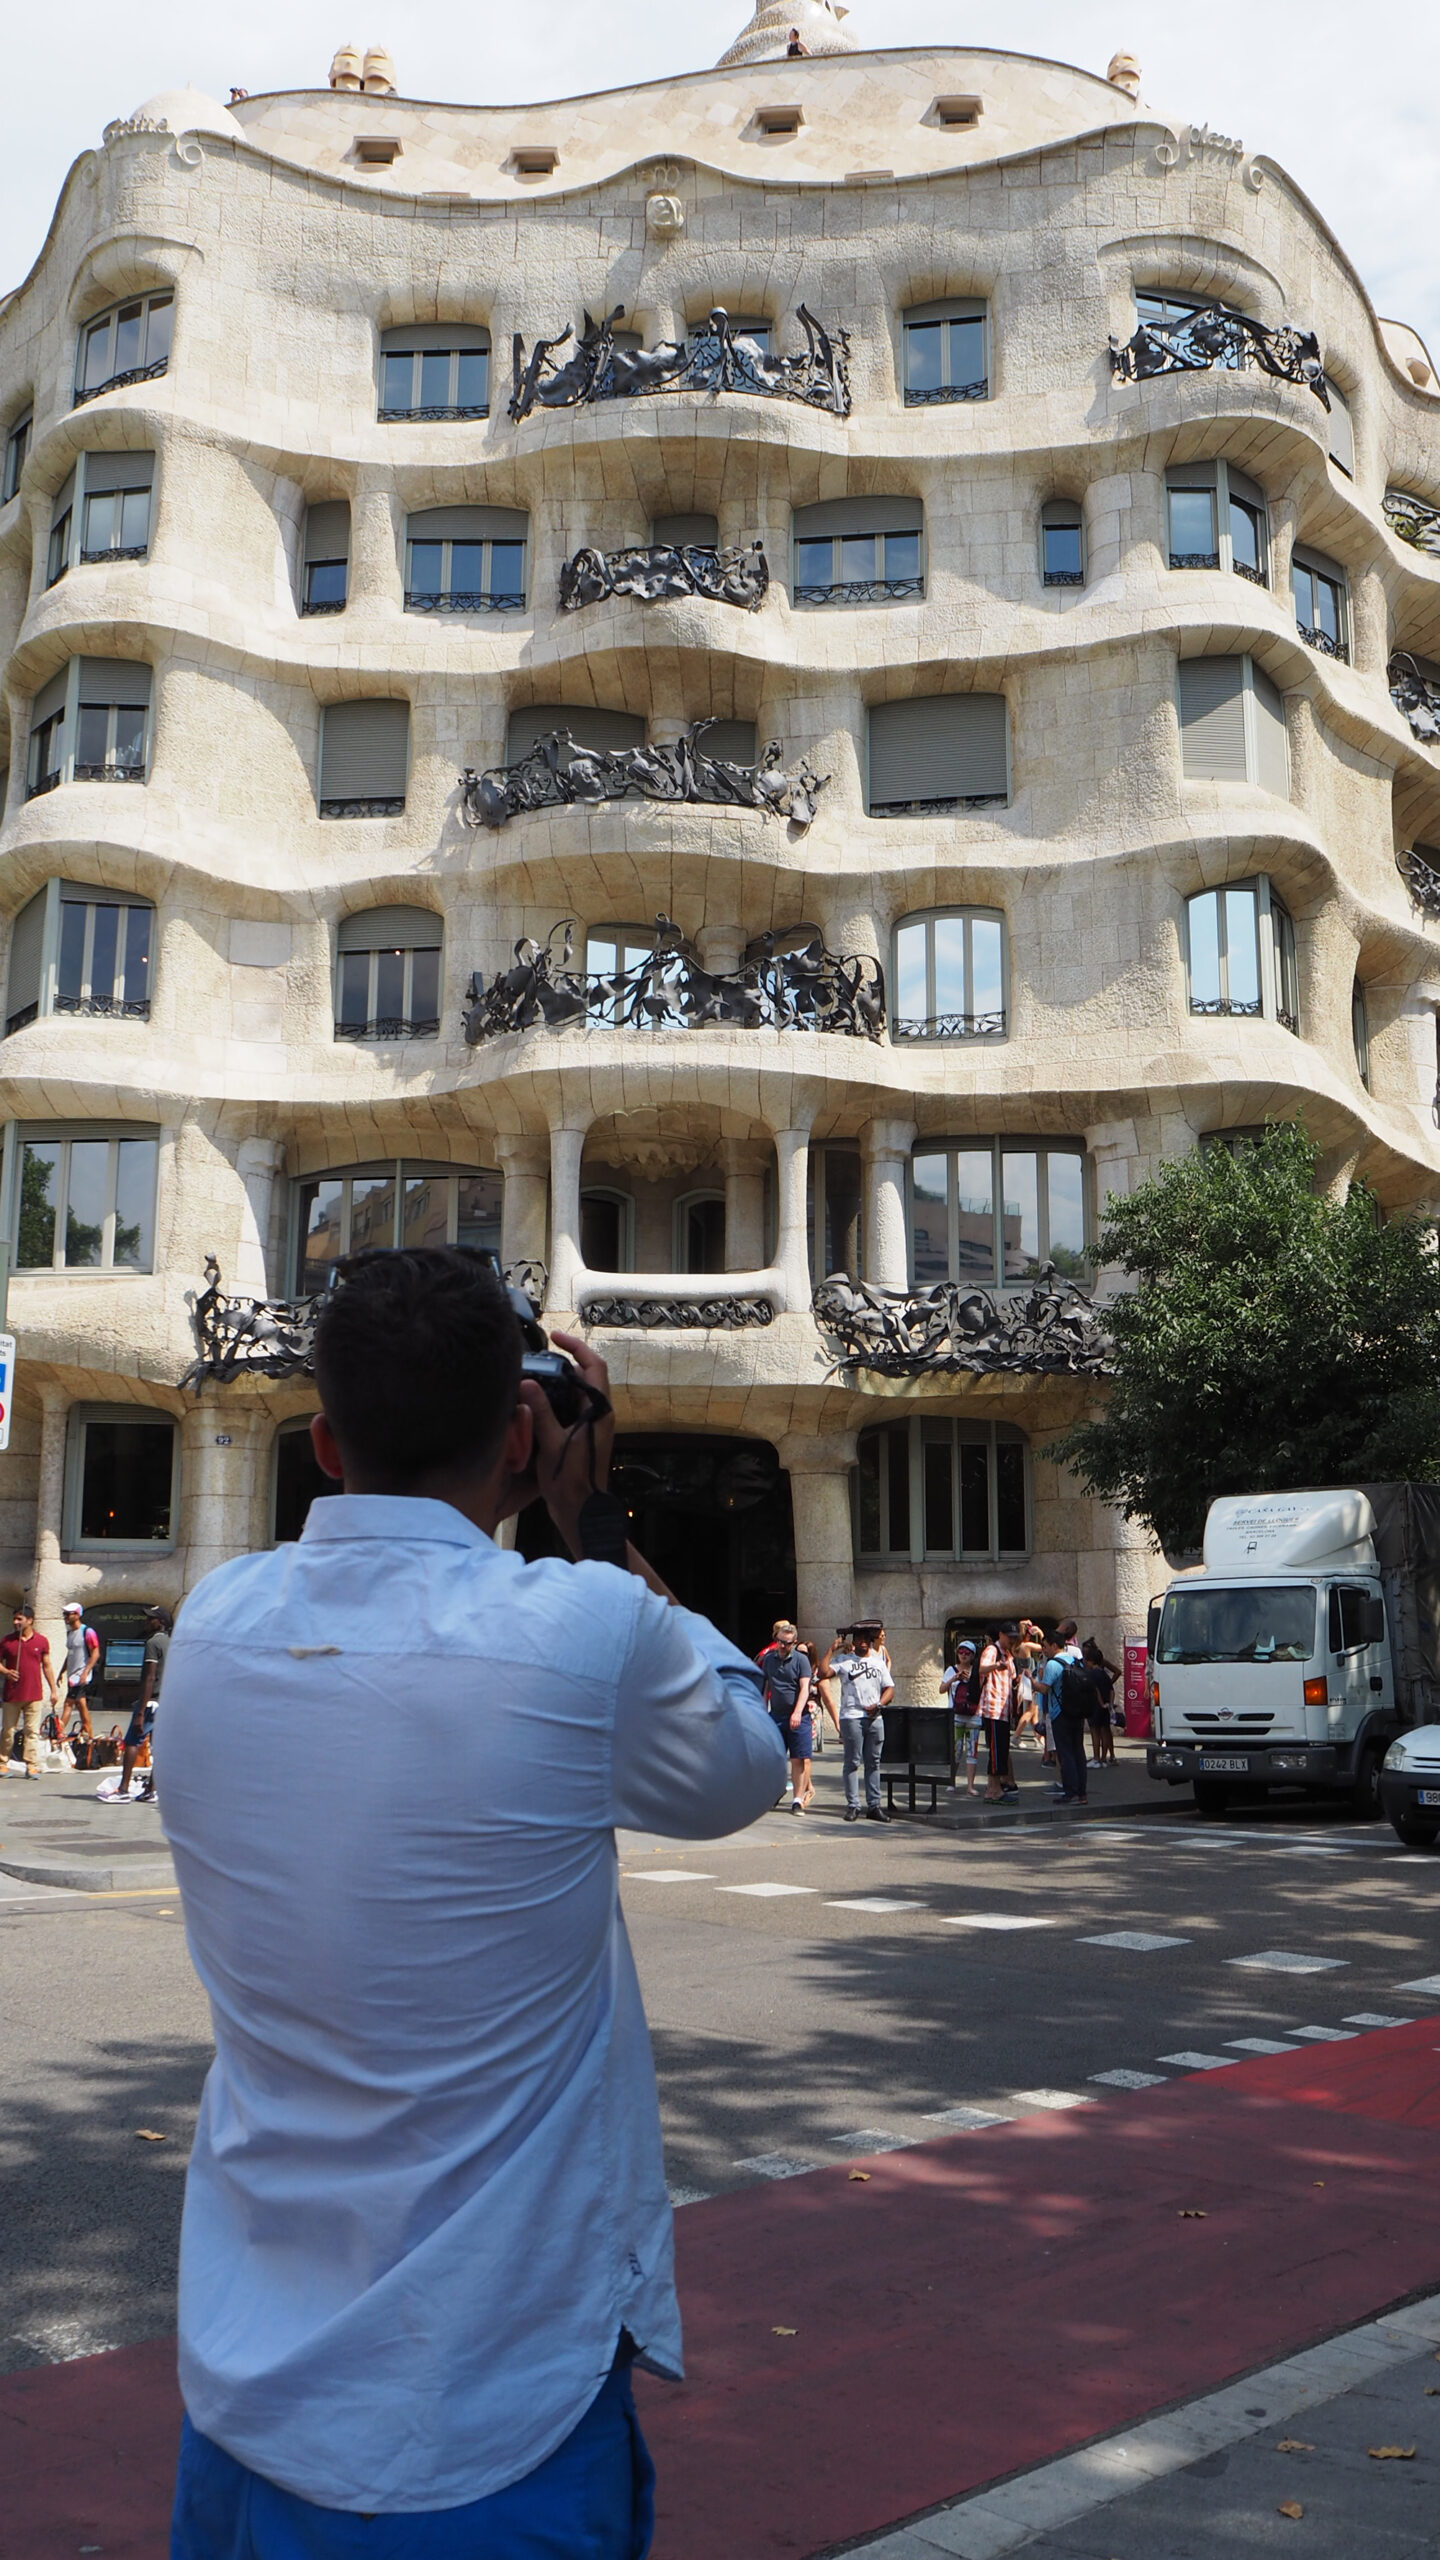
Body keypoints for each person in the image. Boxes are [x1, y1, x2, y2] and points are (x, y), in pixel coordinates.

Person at [157, 1246, 784, 2557]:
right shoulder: (581, 1628)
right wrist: (590, 1514)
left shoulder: (213, 1626)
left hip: (245, 2391)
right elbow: (746, 1761)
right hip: (493, 2401)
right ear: (518, 1431)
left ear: (325, 1443)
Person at [819, 1621, 893, 1822]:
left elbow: (890, 1688)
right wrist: (831, 1650)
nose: (862, 1642)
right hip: (852, 1717)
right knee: (852, 1761)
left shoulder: (878, 1662)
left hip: (875, 1717)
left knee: (874, 1762)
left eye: (865, 1639)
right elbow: (823, 1673)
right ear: (853, 1641)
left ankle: (874, 1805)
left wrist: (879, 1704)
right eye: (858, 1639)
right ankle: (853, 1805)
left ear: (870, 1641)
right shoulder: (844, 1660)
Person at [117, 1606, 171, 1804]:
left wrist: (141, 1711)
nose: (146, 1622)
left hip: (150, 1702)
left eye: (151, 1619)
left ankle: (123, 1789)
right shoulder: (171, 1643)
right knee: (159, 1747)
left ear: (161, 1622)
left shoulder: (152, 1643)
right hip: (166, 1701)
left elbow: (149, 1677)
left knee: (132, 1741)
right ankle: (151, 1789)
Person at [1, 1603, 60, 1780]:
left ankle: (31, 1765)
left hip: (34, 1694)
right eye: (14, 1619)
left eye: (19, 1619)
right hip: (12, 1694)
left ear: (30, 1620)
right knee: (8, 1731)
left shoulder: (41, 1641)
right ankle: (2, 1762)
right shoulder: (7, 1641)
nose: (16, 1622)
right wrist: (6, 1672)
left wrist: (53, 1690)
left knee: (32, 1731)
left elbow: (47, 1665)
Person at [759, 1620, 813, 1812]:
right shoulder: (769, 1659)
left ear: (794, 1643)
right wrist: (762, 1712)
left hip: (799, 1716)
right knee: (774, 1757)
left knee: (798, 1759)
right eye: (780, 1642)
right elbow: (766, 1687)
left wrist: (797, 1712)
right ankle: (776, 1790)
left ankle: (797, 1799)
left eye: (787, 1643)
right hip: (776, 1715)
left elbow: (805, 1688)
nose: (782, 1646)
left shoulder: (801, 1660)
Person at [1044, 1618, 1094, 1807]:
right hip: (1077, 1712)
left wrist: (1032, 1682)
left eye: (1045, 1646)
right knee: (1078, 1751)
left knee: (1065, 1754)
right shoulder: (1075, 1661)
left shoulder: (1052, 1664)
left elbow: (1044, 1688)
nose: (1044, 1650)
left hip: (1060, 1713)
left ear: (1054, 1645)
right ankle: (1081, 1793)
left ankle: (1070, 1792)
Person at [977, 1624, 1019, 1803]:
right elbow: (981, 1669)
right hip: (993, 1708)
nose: (1012, 1640)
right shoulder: (992, 1650)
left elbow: (1013, 1677)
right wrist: (996, 1666)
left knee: (1001, 1751)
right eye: (1009, 1636)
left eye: (1014, 1637)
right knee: (996, 1751)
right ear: (1001, 1634)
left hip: (1004, 1710)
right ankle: (993, 1790)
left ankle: (995, 1787)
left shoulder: (1008, 1654)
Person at [941, 1642, 981, 1795]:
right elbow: (941, 1689)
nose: (963, 1655)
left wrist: (973, 1680)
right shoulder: (951, 1670)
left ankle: (970, 1785)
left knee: (972, 1751)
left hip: (973, 1716)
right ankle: (951, 1782)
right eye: (961, 1652)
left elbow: (982, 1690)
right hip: (956, 1715)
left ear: (972, 1655)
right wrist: (954, 1678)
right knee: (956, 1750)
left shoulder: (977, 1671)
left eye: (967, 1653)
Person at [59, 1604, 101, 1745]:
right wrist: (62, 1671)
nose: (65, 1617)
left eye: (68, 1614)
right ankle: (90, 1734)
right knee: (81, 1704)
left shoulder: (87, 1632)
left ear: (77, 1615)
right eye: (64, 1614)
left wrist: (86, 1671)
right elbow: (70, 1655)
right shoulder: (70, 1633)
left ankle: (58, 1733)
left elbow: (95, 1653)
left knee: (68, 1704)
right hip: (72, 1674)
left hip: (80, 1675)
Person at [1081, 1638, 1120, 1767]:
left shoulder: (1092, 1674)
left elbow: (1095, 1689)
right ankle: (1104, 1758)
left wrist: (1101, 1702)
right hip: (1105, 1705)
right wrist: (1109, 1704)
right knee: (1105, 1730)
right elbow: (1111, 1690)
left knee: (1096, 1731)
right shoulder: (1103, 1674)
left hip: (1096, 1705)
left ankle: (1097, 1758)